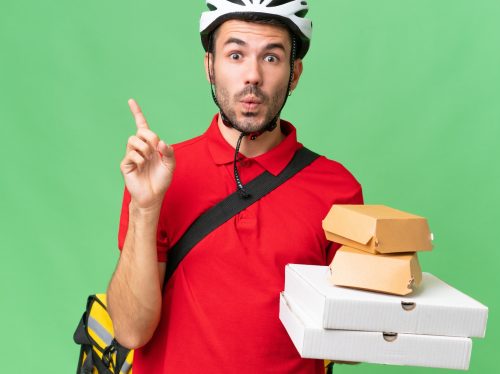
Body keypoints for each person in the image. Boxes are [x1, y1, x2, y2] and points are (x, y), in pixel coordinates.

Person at [107, 1, 363, 373]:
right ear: (210, 67)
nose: (252, 76)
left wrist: (385, 285)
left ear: (294, 74)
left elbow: (351, 347)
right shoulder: (159, 173)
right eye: (236, 54)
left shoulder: (337, 189)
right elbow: (131, 331)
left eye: (272, 58)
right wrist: (145, 208)